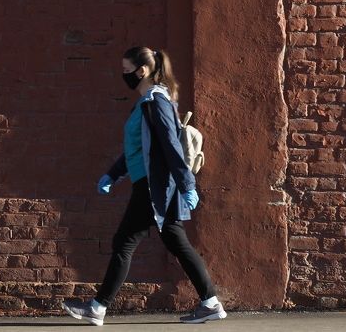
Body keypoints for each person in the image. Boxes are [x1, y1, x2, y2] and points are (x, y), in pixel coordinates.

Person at [61, 47, 227, 325]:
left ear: (142, 71)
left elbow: (171, 146)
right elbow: (137, 149)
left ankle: (98, 307)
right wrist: (113, 175)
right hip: (152, 184)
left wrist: (187, 184)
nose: (124, 75)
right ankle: (210, 303)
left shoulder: (156, 102)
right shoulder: (146, 103)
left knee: (124, 242)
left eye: (127, 70)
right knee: (176, 242)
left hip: (153, 187)